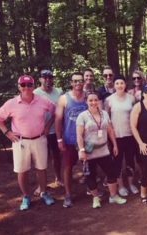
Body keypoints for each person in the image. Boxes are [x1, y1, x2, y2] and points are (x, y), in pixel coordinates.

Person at [0, 75, 56, 210]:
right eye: (23, 85)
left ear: (33, 86)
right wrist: (7, 132)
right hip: (20, 141)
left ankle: (44, 193)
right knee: (22, 170)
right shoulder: (11, 103)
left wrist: (48, 126)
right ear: (19, 87)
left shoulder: (42, 101)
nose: (26, 88)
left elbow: (55, 112)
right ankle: (26, 196)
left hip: (40, 138)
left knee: (41, 168)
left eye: (29, 85)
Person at [76, 92, 127, 208]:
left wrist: (114, 145)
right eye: (90, 100)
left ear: (99, 101)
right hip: (89, 151)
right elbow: (79, 135)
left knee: (111, 172)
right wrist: (82, 150)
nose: (93, 102)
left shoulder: (104, 114)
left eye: (96, 100)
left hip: (104, 149)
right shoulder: (82, 116)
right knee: (91, 175)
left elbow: (110, 130)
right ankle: (96, 198)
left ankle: (113, 196)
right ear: (86, 102)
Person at [55, 72, 88, 208]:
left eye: (80, 81)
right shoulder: (64, 98)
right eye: (75, 81)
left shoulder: (88, 97)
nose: (78, 83)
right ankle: (68, 195)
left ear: (83, 82)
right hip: (69, 139)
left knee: (89, 165)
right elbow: (58, 120)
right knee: (68, 167)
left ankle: (92, 189)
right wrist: (59, 139)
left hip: (87, 139)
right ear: (71, 83)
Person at [105, 76, 139, 197]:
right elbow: (106, 119)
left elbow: (136, 115)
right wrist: (110, 137)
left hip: (130, 135)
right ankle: (121, 186)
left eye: (122, 83)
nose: (120, 85)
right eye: (117, 83)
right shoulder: (109, 100)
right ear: (114, 85)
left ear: (125, 84)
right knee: (117, 162)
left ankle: (131, 184)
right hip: (116, 137)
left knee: (130, 161)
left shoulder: (131, 98)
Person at [34, 69, 63, 188]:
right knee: (40, 159)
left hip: (55, 131)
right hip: (40, 132)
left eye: (50, 77)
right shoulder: (35, 93)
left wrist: (51, 125)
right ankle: (41, 185)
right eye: (44, 77)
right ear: (40, 79)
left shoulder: (59, 92)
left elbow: (59, 111)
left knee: (56, 156)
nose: (47, 80)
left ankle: (58, 178)